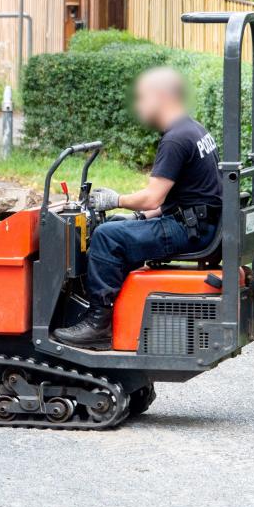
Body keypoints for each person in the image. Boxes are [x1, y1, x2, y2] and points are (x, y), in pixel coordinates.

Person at [53, 67, 222, 350]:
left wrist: (114, 200)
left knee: (107, 237)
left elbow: (153, 198)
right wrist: (136, 217)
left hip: (189, 231)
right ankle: (117, 309)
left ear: (162, 97)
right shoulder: (193, 129)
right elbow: (186, 198)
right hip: (200, 225)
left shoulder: (175, 139)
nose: (139, 105)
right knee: (119, 225)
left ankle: (98, 323)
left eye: (143, 98)